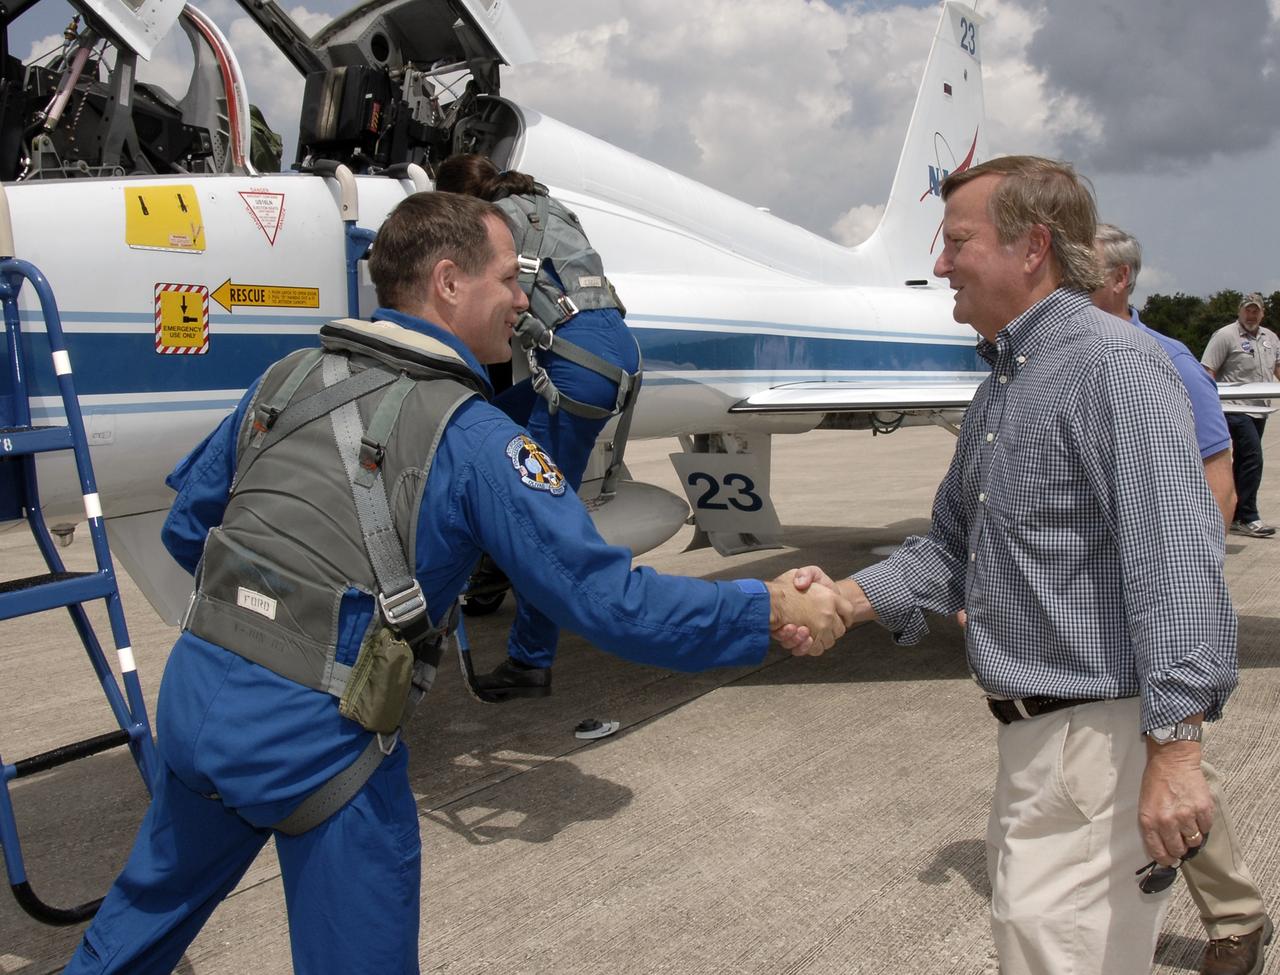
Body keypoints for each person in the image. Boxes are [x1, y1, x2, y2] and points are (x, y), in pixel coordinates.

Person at [63, 191, 852, 975]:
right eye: (509, 279)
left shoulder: (286, 378)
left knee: (133, 933)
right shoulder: (476, 439)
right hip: (316, 751)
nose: (524, 300)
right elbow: (609, 604)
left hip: (198, 708)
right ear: (448, 282)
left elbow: (188, 527)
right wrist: (766, 604)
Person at [788, 156, 1238, 974]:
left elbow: (1175, 562)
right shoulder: (1005, 383)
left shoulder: (1112, 366)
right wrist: (846, 598)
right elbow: (952, 549)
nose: (939, 263)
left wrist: (1176, 754)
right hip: (1038, 743)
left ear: (1033, 247)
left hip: (1096, 742)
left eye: (958, 240)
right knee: (1035, 946)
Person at [1092, 224, 1272, 975]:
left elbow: (1217, 487)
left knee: (1168, 758)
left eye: (1083, 270)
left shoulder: (1171, 364)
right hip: (1078, 609)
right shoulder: (1058, 360)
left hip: (1150, 602)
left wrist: (1182, 599)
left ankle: (1237, 918)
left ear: (1120, 279)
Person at [433, 153, 642, 701]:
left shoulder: (491, 222)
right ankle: (493, 563)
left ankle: (529, 660)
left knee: (539, 518)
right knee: (490, 419)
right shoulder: (547, 207)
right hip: (611, 349)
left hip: (576, 365)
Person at [1201, 293, 1280, 538]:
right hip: (1234, 408)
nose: (1251, 315)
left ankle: (1232, 513)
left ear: (1262, 313)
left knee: (1244, 461)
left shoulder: (1271, 338)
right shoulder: (1225, 336)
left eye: (1256, 310)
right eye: (1247, 310)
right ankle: (1248, 516)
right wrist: (1209, 407)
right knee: (1254, 457)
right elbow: (1207, 371)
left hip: (1260, 409)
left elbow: (1277, 368)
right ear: (1240, 311)